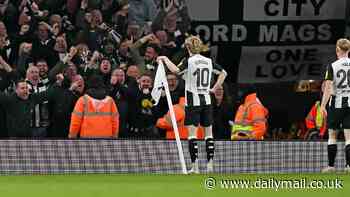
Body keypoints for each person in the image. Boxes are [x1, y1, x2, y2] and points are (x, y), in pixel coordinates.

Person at [157, 35, 227, 173]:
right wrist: (215, 88)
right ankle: (210, 165)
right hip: (207, 100)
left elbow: (176, 71)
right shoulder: (208, 61)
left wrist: (165, 59)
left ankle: (195, 167)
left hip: (192, 101)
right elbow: (223, 73)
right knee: (209, 134)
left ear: (188, 47)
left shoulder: (189, 61)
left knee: (192, 135)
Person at [321, 38, 350, 172]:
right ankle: (348, 166)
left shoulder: (332, 66)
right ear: (348, 50)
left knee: (332, 135)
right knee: (349, 136)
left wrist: (322, 106)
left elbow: (328, 88)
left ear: (337, 49)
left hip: (336, 103)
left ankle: (331, 166)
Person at [69, 75, 119, 139]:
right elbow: (115, 120)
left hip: (87, 138)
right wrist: (115, 136)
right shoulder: (110, 101)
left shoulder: (83, 100)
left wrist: (72, 136)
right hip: (106, 138)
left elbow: (75, 121)